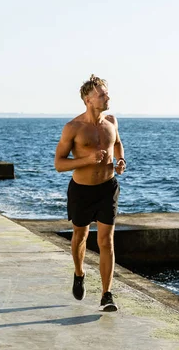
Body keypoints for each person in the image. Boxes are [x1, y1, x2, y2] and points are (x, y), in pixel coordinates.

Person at [54, 74, 126, 312]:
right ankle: (79, 272)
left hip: (108, 188)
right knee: (80, 237)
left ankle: (107, 294)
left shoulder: (112, 121)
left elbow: (116, 143)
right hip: (82, 191)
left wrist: (120, 159)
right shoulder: (73, 128)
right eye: (102, 94)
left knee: (106, 241)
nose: (107, 97)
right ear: (88, 99)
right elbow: (59, 164)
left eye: (106, 93)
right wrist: (87, 159)